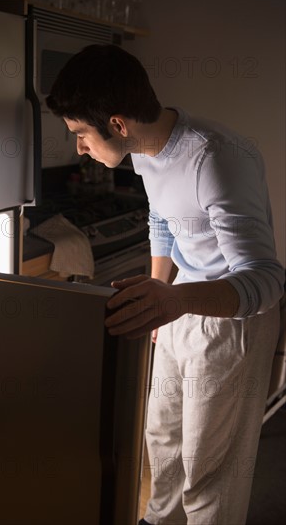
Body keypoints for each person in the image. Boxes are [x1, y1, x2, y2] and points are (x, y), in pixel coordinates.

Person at [46, 44, 284, 525]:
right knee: (163, 440)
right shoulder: (144, 149)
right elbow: (163, 219)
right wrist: (160, 297)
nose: (78, 148)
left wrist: (172, 299)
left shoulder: (216, 158)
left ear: (117, 123)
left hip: (229, 320)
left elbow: (266, 280)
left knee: (208, 468)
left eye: (80, 134)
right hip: (179, 306)